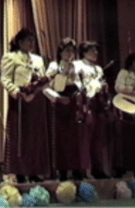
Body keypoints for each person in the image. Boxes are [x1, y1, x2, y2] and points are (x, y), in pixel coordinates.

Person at [0, 28, 50, 183]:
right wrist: (17, 92)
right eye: (28, 40)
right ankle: (20, 172)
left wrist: (40, 86)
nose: (31, 43)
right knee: (20, 136)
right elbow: (5, 79)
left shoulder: (38, 60)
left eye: (32, 40)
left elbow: (43, 78)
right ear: (20, 42)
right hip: (20, 100)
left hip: (37, 100)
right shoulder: (11, 57)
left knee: (36, 136)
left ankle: (35, 171)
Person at [43, 38, 84, 181]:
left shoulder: (75, 66)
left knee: (75, 138)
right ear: (60, 51)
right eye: (67, 50)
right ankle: (62, 171)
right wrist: (58, 98)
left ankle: (76, 169)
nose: (70, 53)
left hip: (73, 102)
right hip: (60, 103)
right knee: (61, 138)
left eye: (72, 50)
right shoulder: (54, 66)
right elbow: (45, 87)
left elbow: (78, 83)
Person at [75, 41, 112, 179]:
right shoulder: (78, 65)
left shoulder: (98, 69)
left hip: (98, 104)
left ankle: (98, 169)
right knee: (85, 138)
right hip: (86, 103)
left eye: (96, 50)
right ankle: (83, 170)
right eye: (92, 50)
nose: (96, 53)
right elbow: (78, 84)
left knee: (98, 138)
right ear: (84, 52)